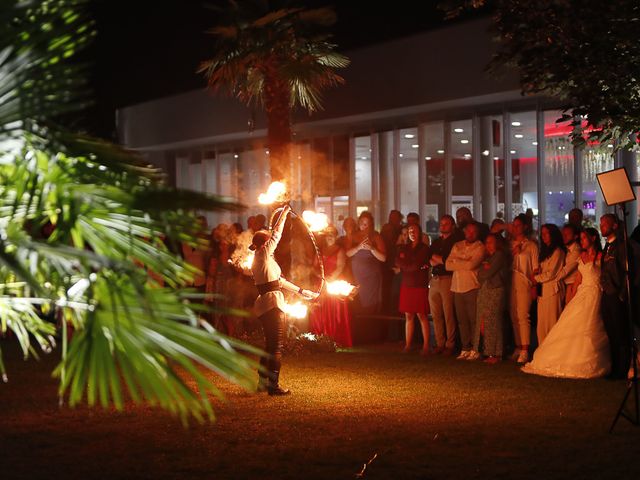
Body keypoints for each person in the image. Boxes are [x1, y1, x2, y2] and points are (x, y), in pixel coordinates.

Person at [522, 228, 610, 378]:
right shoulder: (581, 256)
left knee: (590, 326)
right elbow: (578, 279)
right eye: (580, 238)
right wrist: (571, 298)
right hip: (583, 293)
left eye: (584, 238)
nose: (581, 241)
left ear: (593, 238)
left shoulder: (602, 256)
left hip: (595, 292)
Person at [250, 205, 318, 395]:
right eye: (268, 237)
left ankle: (263, 383)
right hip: (272, 304)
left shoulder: (264, 259)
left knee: (270, 344)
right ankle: (273, 385)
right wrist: (285, 212)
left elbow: (279, 281)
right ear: (264, 243)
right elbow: (277, 235)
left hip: (267, 303)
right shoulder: (262, 254)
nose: (272, 238)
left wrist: (301, 291)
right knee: (276, 345)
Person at [446, 222, 486, 360]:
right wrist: (464, 260)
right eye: (468, 231)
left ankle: (476, 347)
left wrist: (457, 261)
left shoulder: (480, 247)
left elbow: (472, 265)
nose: (470, 234)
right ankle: (465, 347)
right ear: (465, 231)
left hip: (472, 286)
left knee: (474, 319)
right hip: (457, 287)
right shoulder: (457, 245)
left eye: (474, 232)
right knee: (462, 320)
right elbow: (447, 265)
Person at [309, 226, 352, 347]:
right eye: (328, 234)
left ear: (336, 236)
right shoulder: (320, 250)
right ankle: (320, 337)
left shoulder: (340, 250)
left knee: (334, 310)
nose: (330, 236)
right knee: (319, 311)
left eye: (332, 234)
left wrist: (330, 279)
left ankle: (335, 338)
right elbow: (314, 266)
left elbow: (340, 266)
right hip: (321, 283)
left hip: (334, 283)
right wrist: (321, 277)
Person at [600, 214, 630, 379]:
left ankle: (623, 368)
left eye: (605, 224)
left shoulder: (621, 246)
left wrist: (622, 296)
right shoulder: (607, 246)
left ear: (614, 226)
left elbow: (627, 273)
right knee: (611, 333)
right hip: (607, 294)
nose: (602, 227)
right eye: (601, 224)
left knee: (620, 334)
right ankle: (614, 367)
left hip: (616, 295)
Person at [471, 233, 509, 364]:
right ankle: (486, 350)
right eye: (486, 242)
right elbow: (480, 274)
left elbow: (488, 272)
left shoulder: (499, 255)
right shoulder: (488, 257)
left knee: (494, 320)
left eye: (491, 242)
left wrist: (486, 269)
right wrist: (484, 269)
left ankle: (496, 352)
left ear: (497, 243)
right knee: (483, 321)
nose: (488, 245)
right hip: (485, 290)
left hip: (496, 290)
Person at [396, 224, 431, 354]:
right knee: (408, 315)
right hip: (407, 284)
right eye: (410, 231)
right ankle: (408, 345)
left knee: (422, 315)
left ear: (420, 233)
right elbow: (398, 260)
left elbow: (417, 264)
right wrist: (408, 265)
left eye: (414, 231)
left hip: (419, 284)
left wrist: (406, 265)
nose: (412, 233)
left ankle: (426, 345)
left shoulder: (424, 248)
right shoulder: (404, 248)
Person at [510, 213, 539, 364]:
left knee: (523, 315)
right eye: (513, 225)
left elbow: (535, 268)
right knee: (514, 316)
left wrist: (534, 285)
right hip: (511, 281)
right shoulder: (509, 244)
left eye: (518, 225)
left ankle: (525, 349)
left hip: (524, 282)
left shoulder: (531, 245)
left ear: (525, 227)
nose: (515, 228)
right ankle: (518, 345)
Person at [428, 215, 458, 355]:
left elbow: (449, 261)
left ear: (452, 225)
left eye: (446, 224)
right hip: (435, 279)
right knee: (436, 314)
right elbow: (429, 258)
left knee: (448, 313)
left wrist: (439, 260)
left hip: (447, 279)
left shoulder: (455, 242)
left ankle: (450, 344)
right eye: (441, 223)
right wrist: (440, 260)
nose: (443, 226)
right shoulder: (436, 242)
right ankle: (440, 343)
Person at [346, 211, 386, 314]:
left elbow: (383, 258)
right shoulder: (353, 236)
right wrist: (358, 247)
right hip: (357, 274)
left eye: (366, 223)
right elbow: (348, 253)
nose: (363, 225)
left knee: (370, 302)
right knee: (357, 299)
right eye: (362, 222)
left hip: (371, 276)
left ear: (370, 224)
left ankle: (371, 320)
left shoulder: (376, 236)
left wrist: (372, 248)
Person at [532, 224, 566, 346]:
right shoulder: (545, 252)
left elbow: (551, 273)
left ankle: (552, 352)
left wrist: (536, 278)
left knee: (551, 323)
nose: (544, 236)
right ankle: (542, 351)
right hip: (542, 291)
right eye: (543, 233)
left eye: (547, 233)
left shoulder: (558, 252)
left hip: (552, 291)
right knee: (541, 325)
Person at [381, 210, 404, 313]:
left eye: (395, 217)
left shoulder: (401, 231)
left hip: (396, 265)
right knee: (388, 292)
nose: (392, 219)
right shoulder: (387, 228)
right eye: (391, 217)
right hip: (386, 265)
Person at [556, 224, 581, 305]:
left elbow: (566, 270)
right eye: (563, 234)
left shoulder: (576, 251)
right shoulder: (565, 249)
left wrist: (552, 279)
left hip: (572, 285)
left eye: (568, 234)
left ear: (575, 236)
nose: (564, 236)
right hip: (565, 284)